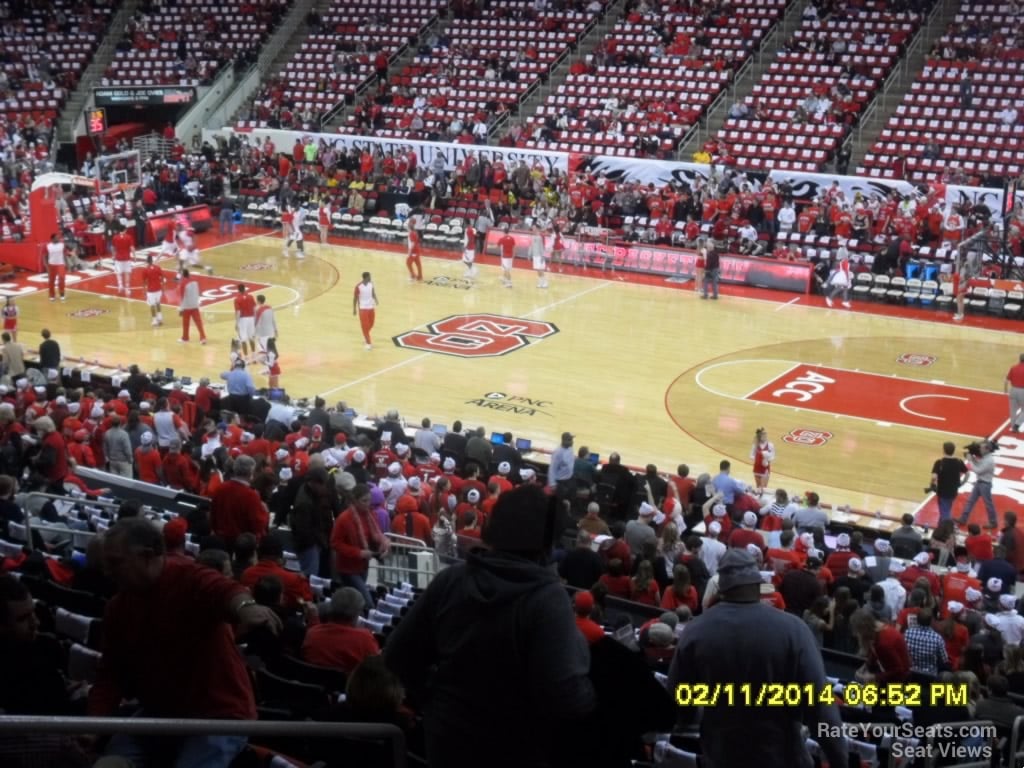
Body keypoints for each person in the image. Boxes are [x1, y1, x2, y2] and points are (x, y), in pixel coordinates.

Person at [385, 485, 596, 768]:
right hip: (511, 749)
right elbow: (569, 701)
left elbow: (396, 657)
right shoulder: (548, 600)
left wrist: (436, 701)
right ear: (549, 544)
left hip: (446, 739)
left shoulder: (452, 579)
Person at [89, 519, 281, 767]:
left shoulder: (187, 576)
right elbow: (110, 675)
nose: (107, 571)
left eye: (115, 562)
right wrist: (93, 725)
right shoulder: (118, 607)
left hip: (218, 714)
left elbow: (222, 590)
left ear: (148, 556)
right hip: (161, 711)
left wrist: (246, 607)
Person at [668, 548, 847, 767]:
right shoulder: (794, 630)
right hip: (781, 757)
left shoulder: (695, 631)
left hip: (721, 756)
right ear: (757, 585)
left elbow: (679, 702)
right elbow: (822, 708)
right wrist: (839, 759)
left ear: (722, 588)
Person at [331, 483, 390, 607]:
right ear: (354, 501)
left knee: (355, 602)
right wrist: (358, 553)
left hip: (363, 565)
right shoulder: (344, 518)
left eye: (369, 500)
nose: (368, 504)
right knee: (366, 602)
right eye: (364, 501)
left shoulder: (371, 515)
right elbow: (335, 543)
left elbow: (375, 536)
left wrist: (382, 545)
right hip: (347, 567)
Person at [302, 586, 380, 673]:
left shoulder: (312, 634)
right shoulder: (365, 639)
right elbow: (376, 671)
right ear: (356, 614)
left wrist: (313, 618)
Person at [956, 439, 998, 529]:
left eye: (981, 448)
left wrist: (970, 460)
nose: (979, 449)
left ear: (987, 449)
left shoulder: (989, 461)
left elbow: (978, 470)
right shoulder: (986, 458)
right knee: (970, 501)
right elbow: (979, 465)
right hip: (980, 483)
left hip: (985, 484)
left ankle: (993, 522)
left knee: (988, 504)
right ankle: (963, 518)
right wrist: (973, 459)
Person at [930, 441, 967, 522]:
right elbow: (967, 473)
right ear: (953, 451)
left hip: (943, 491)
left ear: (944, 450)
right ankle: (941, 525)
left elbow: (934, 477)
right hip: (953, 490)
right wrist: (963, 482)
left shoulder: (939, 462)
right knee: (946, 508)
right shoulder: (958, 461)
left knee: (945, 512)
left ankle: (947, 528)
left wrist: (932, 484)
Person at [178, 268, 207, 344]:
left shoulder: (183, 283)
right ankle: (203, 338)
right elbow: (198, 292)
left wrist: (181, 309)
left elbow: (182, 297)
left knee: (185, 323)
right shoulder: (195, 281)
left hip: (187, 306)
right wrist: (197, 302)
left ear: (183, 275)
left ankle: (185, 338)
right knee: (198, 322)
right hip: (195, 304)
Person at [353, 271, 378, 351]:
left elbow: (373, 292)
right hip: (363, 308)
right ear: (366, 277)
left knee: (371, 324)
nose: (370, 278)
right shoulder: (358, 287)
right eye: (369, 276)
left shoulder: (371, 284)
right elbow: (355, 298)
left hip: (371, 307)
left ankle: (365, 334)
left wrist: (376, 299)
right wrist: (354, 309)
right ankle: (368, 343)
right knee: (365, 326)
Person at [234, 284, 257, 360]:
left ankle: (246, 358)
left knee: (243, 339)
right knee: (251, 338)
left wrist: (237, 323)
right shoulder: (251, 297)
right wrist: (255, 319)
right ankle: (254, 356)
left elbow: (238, 312)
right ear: (245, 289)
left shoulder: (237, 299)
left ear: (238, 290)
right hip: (251, 318)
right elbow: (254, 308)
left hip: (243, 320)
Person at [142, 254, 165, 327]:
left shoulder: (145, 270)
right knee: (158, 303)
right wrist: (163, 287)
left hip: (151, 291)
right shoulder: (158, 268)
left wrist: (144, 290)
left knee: (152, 306)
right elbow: (162, 278)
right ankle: (160, 318)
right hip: (158, 289)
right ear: (152, 260)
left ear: (147, 261)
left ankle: (154, 320)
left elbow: (144, 282)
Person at [750, 427, 775, 495]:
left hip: (765, 469)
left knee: (763, 489)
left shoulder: (770, 445)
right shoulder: (755, 445)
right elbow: (751, 456)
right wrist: (759, 457)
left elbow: (773, 457)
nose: (765, 435)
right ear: (759, 436)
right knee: (758, 488)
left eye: (765, 433)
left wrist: (767, 458)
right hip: (756, 468)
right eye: (763, 434)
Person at [111, 225, 135, 294]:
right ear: (124, 230)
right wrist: (134, 256)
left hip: (118, 258)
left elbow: (112, 248)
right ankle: (127, 289)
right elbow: (132, 247)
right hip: (127, 258)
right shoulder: (129, 237)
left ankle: (120, 286)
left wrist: (113, 255)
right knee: (127, 273)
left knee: (118, 273)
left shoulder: (115, 237)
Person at [45, 233, 67, 301]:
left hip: (61, 264)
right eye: (57, 237)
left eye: (59, 237)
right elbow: (44, 256)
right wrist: (46, 266)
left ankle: (62, 293)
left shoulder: (62, 245)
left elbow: (65, 253)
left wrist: (66, 263)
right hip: (51, 265)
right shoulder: (48, 246)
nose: (58, 239)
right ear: (52, 239)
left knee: (62, 278)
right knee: (51, 281)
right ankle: (52, 295)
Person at [1007, 353, 1024, 432]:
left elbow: (1007, 380)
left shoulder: (1013, 368)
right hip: (1022, 391)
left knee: (1013, 410)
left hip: (1013, 390)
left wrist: (1005, 390)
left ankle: (1013, 425)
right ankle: (1017, 425)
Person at [529, 224, 548, 289]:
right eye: (532, 228)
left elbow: (542, 247)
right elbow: (531, 246)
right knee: (537, 270)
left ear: (537, 228)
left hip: (539, 256)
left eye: (534, 228)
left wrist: (542, 256)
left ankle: (545, 282)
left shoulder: (540, 237)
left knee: (540, 270)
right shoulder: (533, 237)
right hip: (535, 255)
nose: (533, 229)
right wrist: (530, 254)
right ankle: (540, 283)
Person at [406, 217, 423, 282]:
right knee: (418, 264)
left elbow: (412, 243)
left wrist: (410, 252)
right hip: (417, 250)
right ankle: (420, 276)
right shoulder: (415, 232)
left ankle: (413, 276)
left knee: (408, 263)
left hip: (414, 251)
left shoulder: (411, 233)